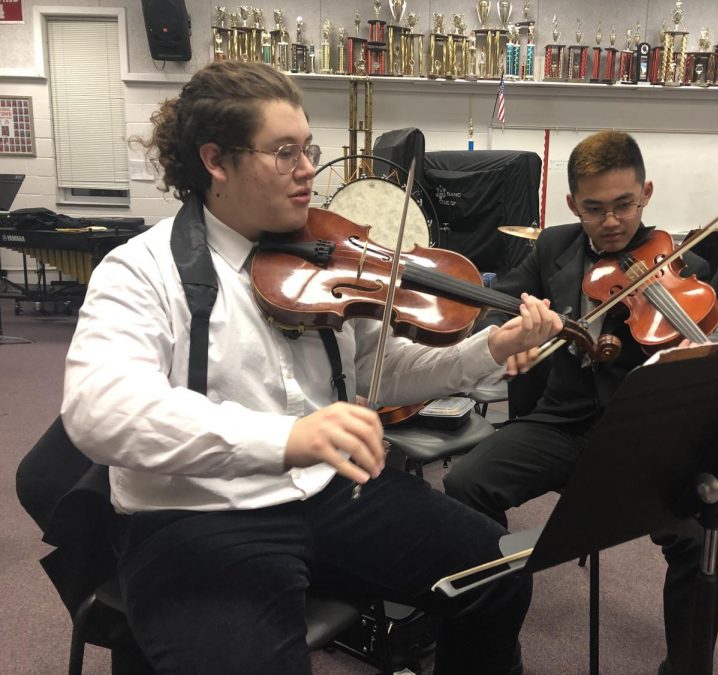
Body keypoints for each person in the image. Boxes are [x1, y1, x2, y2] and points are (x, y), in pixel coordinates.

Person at [59, 61, 563, 674]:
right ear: (216, 161)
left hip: (330, 495)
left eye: (309, 148)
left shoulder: (327, 254)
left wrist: (486, 350)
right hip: (200, 517)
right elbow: (100, 410)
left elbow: (383, 370)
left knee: (499, 573)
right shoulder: (141, 270)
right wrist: (287, 438)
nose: (308, 172)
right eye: (285, 153)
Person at [443, 130, 718, 675]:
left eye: (624, 205)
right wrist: (504, 336)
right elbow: (499, 304)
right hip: (562, 422)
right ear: (572, 204)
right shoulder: (552, 247)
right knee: (465, 485)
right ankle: (493, 654)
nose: (611, 222)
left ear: (646, 192)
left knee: (708, 535)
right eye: (595, 208)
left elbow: (707, 361)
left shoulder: (685, 266)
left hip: (644, 435)